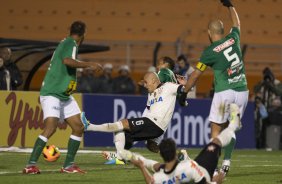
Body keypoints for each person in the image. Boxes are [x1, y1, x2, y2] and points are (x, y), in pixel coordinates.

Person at [23, 20, 102, 174]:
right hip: (53, 93)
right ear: (83, 34)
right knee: (51, 127)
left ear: (70, 30)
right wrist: (89, 64)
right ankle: (30, 165)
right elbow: (67, 61)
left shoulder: (67, 43)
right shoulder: (71, 43)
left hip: (64, 95)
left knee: (78, 127)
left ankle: (68, 166)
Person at [179, 0, 248, 175]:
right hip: (242, 91)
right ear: (222, 32)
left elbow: (195, 75)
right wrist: (230, 5)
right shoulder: (233, 38)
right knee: (231, 127)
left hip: (225, 92)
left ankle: (214, 169)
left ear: (209, 33)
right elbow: (237, 23)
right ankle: (226, 161)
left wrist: (184, 92)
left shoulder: (210, 52)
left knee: (216, 130)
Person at [82, 72, 187, 164]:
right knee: (120, 130)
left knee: (123, 123)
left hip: (156, 123)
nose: (145, 85)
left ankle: (89, 127)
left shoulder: (168, 87)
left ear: (154, 81)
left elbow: (184, 89)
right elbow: (142, 84)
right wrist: (144, 81)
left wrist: (185, 84)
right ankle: (120, 156)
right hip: (150, 123)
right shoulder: (151, 94)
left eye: (146, 82)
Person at [120, 103, 241, 184]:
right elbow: (206, 181)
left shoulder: (160, 176)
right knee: (216, 142)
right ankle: (233, 125)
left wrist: (139, 165)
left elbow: (150, 170)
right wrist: (219, 178)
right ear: (174, 152)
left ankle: (185, 158)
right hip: (202, 170)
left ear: (162, 155)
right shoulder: (189, 168)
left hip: (189, 170)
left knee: (152, 165)